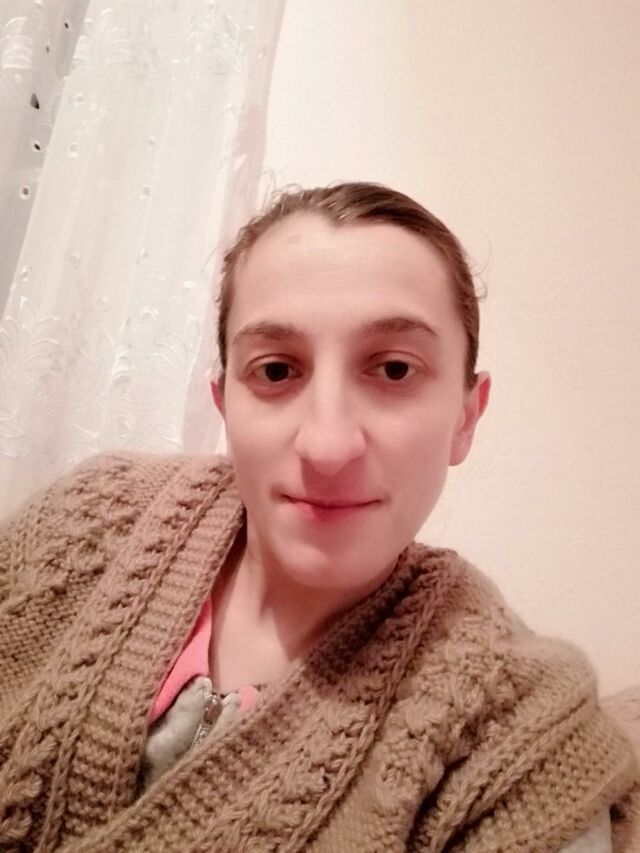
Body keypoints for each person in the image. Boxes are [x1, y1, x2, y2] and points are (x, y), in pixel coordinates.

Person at [0, 182, 636, 852]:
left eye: (395, 369)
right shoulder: (86, 520)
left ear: (465, 417)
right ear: (224, 403)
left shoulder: (520, 728)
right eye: (276, 371)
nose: (327, 445)